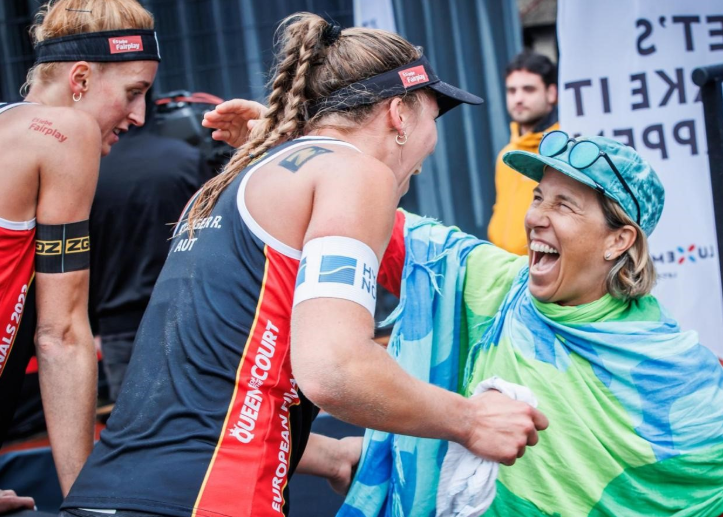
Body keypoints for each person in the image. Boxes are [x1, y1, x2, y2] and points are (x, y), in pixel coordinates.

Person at [61, 13, 546, 517]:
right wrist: (470, 421)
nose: (427, 151)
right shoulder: (355, 172)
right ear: (399, 114)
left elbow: (209, 395)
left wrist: (334, 456)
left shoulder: (239, 179)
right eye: (433, 116)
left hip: (114, 491)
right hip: (211, 498)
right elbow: (335, 369)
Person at [340, 132, 723, 516]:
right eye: (539, 197)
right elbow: (371, 222)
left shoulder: (675, 368)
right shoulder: (498, 286)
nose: (535, 217)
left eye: (564, 205)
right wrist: (307, 151)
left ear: (618, 240)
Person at [0, 0, 159, 508]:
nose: (138, 116)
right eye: (134, 93)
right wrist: (88, 501)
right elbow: (61, 334)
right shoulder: (67, 134)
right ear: (82, 78)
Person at [89, 90, 214, 402]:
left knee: (137, 428)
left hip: (118, 326)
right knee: (206, 418)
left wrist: (90, 326)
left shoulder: (87, 168)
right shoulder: (184, 158)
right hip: (189, 314)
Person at [487, 51, 558, 255]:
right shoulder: (506, 155)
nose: (518, 98)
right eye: (512, 90)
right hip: (504, 269)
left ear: (551, 93)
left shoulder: (563, 152)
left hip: (543, 269)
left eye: (528, 89)